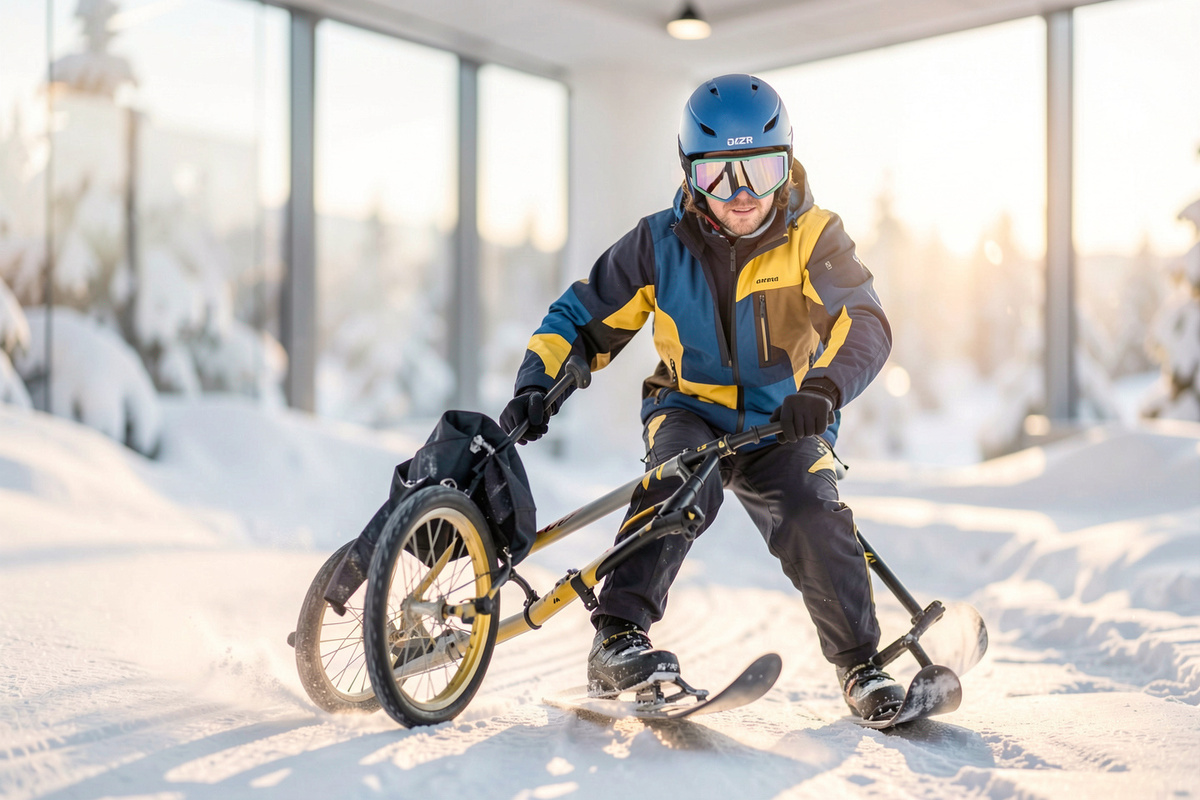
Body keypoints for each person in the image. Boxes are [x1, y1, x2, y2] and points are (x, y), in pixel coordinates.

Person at [499, 73, 902, 721]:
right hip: (689, 407)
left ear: (789, 163)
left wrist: (824, 390)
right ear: (690, 174)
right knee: (678, 485)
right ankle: (619, 638)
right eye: (720, 176)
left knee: (810, 511)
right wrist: (537, 384)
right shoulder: (659, 244)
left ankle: (861, 666)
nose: (742, 196)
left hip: (786, 416)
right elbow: (580, 319)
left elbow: (864, 322)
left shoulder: (816, 236)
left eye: (761, 171)